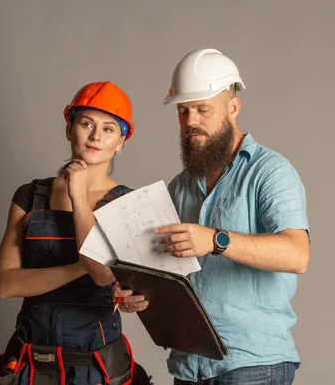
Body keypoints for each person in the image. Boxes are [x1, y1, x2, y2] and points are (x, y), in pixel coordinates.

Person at [114, 48, 311, 385]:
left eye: (203, 109)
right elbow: (167, 270)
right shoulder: (180, 187)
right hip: (190, 366)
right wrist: (138, 294)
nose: (191, 121)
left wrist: (216, 240)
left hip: (253, 365)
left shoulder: (270, 172)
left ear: (233, 108)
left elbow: (297, 254)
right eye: (183, 111)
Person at [0, 81, 151, 385]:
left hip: (95, 368)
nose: (96, 136)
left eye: (109, 128)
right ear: (69, 128)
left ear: (121, 141)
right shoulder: (29, 196)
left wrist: (78, 197)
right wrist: (80, 266)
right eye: (87, 123)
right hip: (29, 364)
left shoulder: (128, 203)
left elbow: (101, 276)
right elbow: (4, 284)